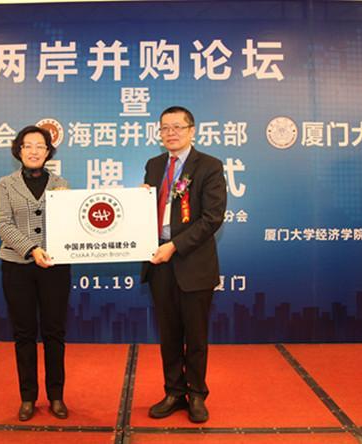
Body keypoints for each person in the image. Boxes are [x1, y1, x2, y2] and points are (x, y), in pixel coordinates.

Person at [142, 106, 227, 423]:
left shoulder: (209, 166)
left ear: (192, 130)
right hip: (159, 262)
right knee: (169, 335)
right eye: (165, 128)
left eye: (177, 127)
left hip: (193, 262)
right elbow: (148, 211)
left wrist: (175, 246)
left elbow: (212, 218)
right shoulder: (154, 166)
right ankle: (174, 391)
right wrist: (138, 202)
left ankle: (197, 394)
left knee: (196, 335)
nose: (171, 133)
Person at [0, 125, 71, 421]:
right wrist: (31, 249)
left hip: (55, 267)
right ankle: (28, 397)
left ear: (48, 152)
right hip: (17, 267)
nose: (34, 151)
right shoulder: (5, 184)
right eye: (28, 145)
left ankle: (56, 396)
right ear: (19, 150)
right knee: (24, 333)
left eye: (40, 146)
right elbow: (3, 223)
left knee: (54, 333)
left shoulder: (62, 184)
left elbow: (70, 223)